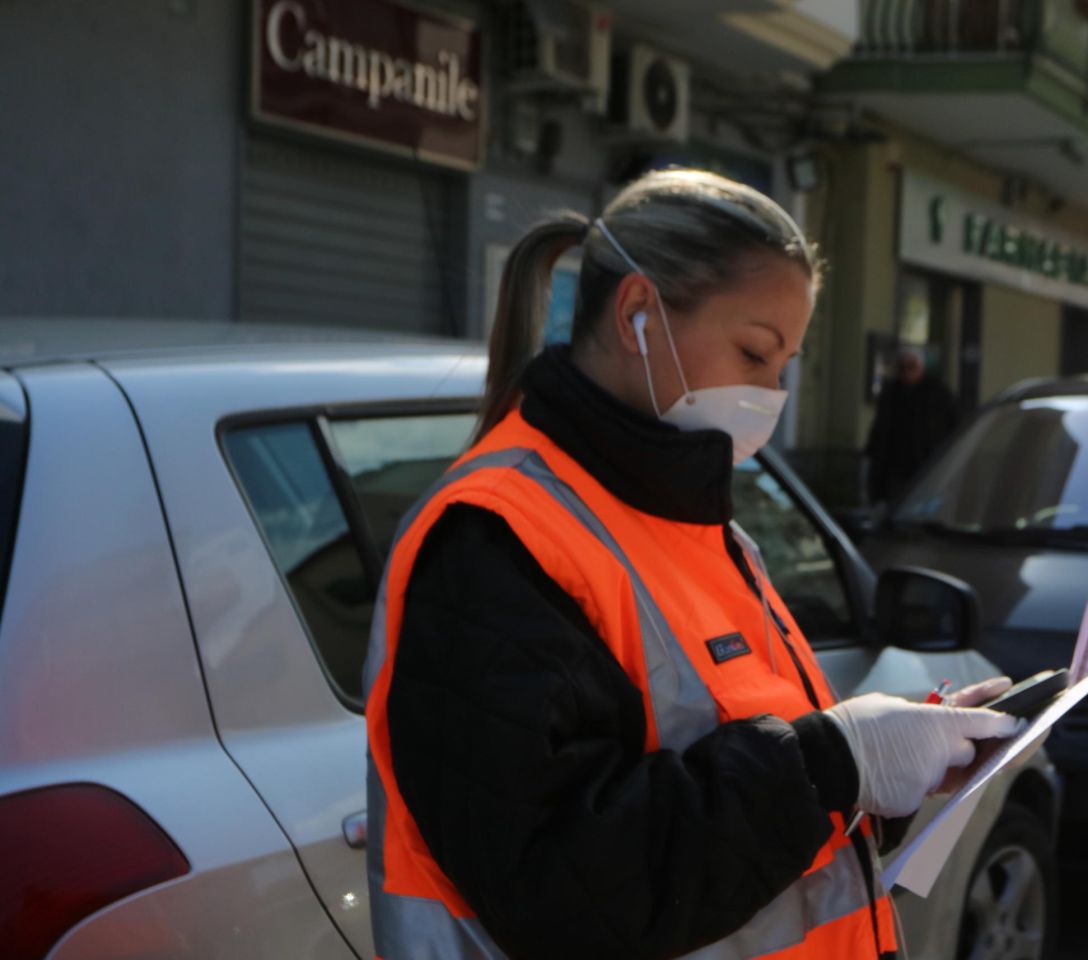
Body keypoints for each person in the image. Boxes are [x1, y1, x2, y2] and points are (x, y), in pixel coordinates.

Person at [363, 169, 1020, 960]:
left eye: (786, 365)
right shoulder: (496, 540)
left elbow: (742, 811)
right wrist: (832, 763)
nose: (771, 392)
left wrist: (892, 771)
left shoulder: (693, 527)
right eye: (755, 352)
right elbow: (564, 888)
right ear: (639, 313)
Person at [864, 347, 960, 505]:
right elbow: (880, 430)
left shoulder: (937, 392)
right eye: (903, 368)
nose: (907, 373)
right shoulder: (892, 393)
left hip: (929, 465)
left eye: (912, 367)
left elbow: (953, 424)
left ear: (921, 367)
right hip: (896, 467)